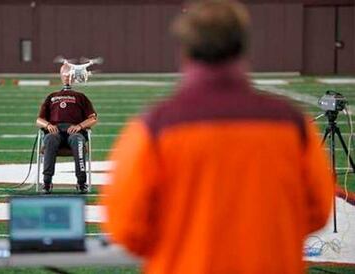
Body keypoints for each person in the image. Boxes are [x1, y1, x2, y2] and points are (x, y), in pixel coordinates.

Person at [103, 1, 334, 273]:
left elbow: (126, 228)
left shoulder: (155, 127)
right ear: (244, 45)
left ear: (185, 49)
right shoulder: (293, 123)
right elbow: (318, 211)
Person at [36, 62, 97, 194]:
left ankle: (81, 183)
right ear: (60, 76)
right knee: (50, 140)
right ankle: (47, 182)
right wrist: (47, 125)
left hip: (74, 132)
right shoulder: (51, 96)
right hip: (54, 131)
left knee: (78, 141)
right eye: (64, 73)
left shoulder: (81, 97)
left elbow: (93, 118)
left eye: (70, 74)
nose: (67, 76)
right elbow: (38, 120)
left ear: (74, 76)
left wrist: (80, 126)